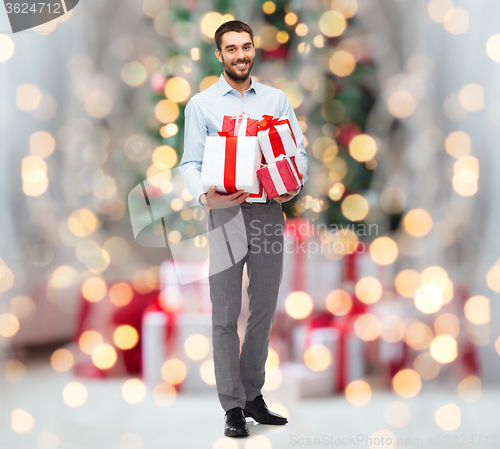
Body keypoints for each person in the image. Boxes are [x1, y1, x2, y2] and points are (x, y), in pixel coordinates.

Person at [179, 20, 308, 438]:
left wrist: (294, 181)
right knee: (225, 310)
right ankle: (232, 406)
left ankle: (253, 395)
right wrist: (204, 196)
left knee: (265, 306)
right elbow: (189, 164)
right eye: (231, 48)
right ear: (219, 55)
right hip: (225, 215)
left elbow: (297, 151)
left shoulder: (276, 99)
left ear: (254, 50)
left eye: (246, 47)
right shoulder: (202, 105)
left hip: (269, 210)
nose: (240, 54)